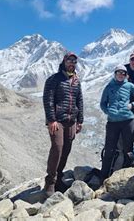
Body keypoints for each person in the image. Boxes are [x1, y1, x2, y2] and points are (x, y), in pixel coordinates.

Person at [43, 52, 84, 196]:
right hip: (58, 120)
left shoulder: (76, 81)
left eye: (74, 61)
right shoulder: (54, 79)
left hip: (71, 121)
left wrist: (80, 121)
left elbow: (80, 100)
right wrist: (51, 120)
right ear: (64, 61)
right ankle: (50, 183)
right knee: (57, 148)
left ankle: (59, 179)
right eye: (69, 60)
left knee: (66, 151)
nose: (72, 63)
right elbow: (48, 101)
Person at [100, 65, 134, 181]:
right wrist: (108, 111)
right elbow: (102, 103)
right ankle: (103, 176)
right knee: (109, 149)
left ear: (126, 75)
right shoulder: (109, 87)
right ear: (115, 73)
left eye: (123, 73)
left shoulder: (129, 86)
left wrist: (132, 105)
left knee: (128, 149)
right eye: (119, 72)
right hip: (113, 122)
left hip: (128, 121)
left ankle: (126, 177)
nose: (121, 75)